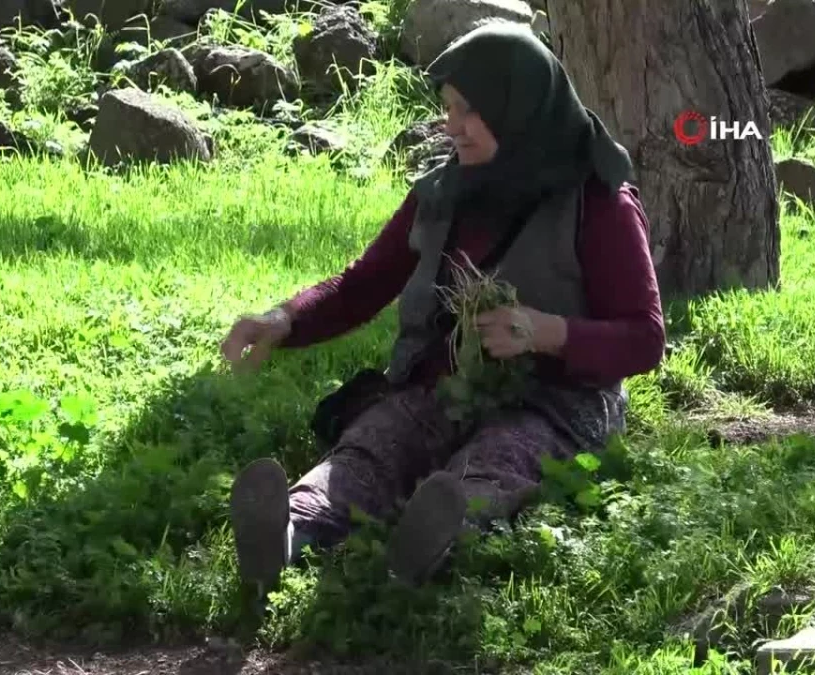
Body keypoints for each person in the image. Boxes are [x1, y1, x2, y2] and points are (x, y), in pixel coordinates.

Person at [218, 23, 665, 594]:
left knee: (497, 463)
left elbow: (644, 339)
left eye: (469, 111)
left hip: (554, 402)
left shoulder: (598, 204)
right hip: (443, 388)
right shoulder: (442, 192)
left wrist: (545, 332)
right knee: (372, 448)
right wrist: (286, 319)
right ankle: (286, 535)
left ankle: (434, 542)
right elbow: (364, 283)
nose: (451, 126)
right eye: (448, 107)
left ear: (519, 108)